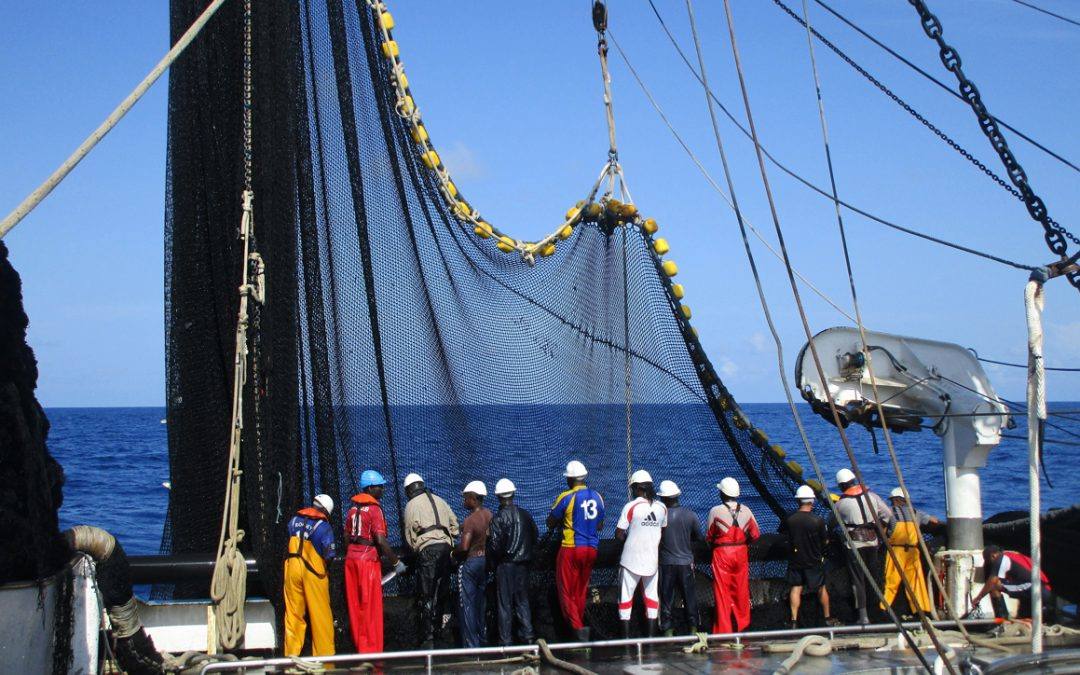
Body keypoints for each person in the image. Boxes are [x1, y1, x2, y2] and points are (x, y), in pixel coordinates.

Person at [344, 470, 405, 653]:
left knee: (355, 607)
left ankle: (360, 647)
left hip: (351, 559)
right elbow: (380, 540)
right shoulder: (374, 509)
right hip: (367, 561)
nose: (383, 490)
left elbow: (347, 535)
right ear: (370, 488)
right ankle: (371, 650)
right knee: (370, 607)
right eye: (380, 486)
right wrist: (396, 563)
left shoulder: (353, 509)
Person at [547, 460, 605, 641]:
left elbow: (550, 522)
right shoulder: (597, 496)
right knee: (580, 591)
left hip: (571, 548)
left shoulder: (567, 497)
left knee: (565, 591)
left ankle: (578, 630)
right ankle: (579, 625)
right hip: (592, 549)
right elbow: (600, 525)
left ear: (570, 479)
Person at [402, 472, 460, 648]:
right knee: (441, 590)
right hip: (446, 549)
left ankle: (428, 637)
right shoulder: (440, 499)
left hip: (428, 551)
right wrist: (450, 539)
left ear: (409, 489)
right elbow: (455, 525)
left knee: (426, 594)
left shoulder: (411, 505)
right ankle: (440, 631)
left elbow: (409, 534)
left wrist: (416, 549)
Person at [830, 468, 893, 625]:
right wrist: (886, 533)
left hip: (854, 546)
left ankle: (863, 616)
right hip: (873, 542)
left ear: (841, 486)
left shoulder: (841, 503)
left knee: (858, 580)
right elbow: (889, 516)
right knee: (873, 576)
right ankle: (878, 610)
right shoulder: (872, 497)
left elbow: (830, 522)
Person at [615, 470, 668, 638]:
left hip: (630, 560)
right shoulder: (661, 508)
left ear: (637, 488)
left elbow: (619, 533)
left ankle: (625, 640)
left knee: (625, 599)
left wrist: (630, 539)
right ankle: (651, 639)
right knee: (652, 600)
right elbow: (663, 530)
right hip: (652, 561)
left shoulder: (630, 506)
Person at [283, 494, 337, 656]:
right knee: (321, 617)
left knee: (293, 615)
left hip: (292, 569)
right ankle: (325, 659)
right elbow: (329, 554)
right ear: (327, 511)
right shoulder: (323, 527)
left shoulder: (293, 521)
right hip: (313, 573)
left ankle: (291, 659)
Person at [487, 478, 538, 646]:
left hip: (505, 565)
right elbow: (535, 535)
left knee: (504, 604)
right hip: (523, 564)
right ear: (513, 494)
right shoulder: (525, 514)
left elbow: (494, 546)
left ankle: (506, 641)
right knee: (522, 601)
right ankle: (528, 636)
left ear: (498, 497)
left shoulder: (498, 518)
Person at [706, 477, 760, 633]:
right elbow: (755, 534)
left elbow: (709, 536)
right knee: (741, 590)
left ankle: (724, 630)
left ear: (722, 493)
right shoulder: (747, 511)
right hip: (741, 552)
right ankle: (742, 625)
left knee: (722, 592)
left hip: (722, 553)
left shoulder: (715, 511)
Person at [781, 485, 839, 629]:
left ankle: (793, 620)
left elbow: (783, 535)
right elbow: (825, 540)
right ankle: (827, 618)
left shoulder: (790, 519)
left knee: (796, 588)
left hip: (796, 560)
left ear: (798, 501)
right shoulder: (817, 520)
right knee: (821, 588)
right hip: (814, 560)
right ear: (811, 502)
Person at [882, 487, 939, 617]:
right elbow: (934, 521)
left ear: (896, 500)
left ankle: (884, 608)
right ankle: (921, 610)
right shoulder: (916, 513)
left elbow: (884, 530)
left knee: (891, 582)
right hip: (913, 552)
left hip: (895, 551)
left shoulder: (890, 513)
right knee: (916, 582)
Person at [656, 479, 701, 636]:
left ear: (663, 498)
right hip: (686, 563)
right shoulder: (691, 515)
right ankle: (693, 629)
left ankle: (668, 631)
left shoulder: (660, 516)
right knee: (689, 598)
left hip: (666, 564)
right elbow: (698, 537)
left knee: (666, 599)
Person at [970, 545, 1055, 621]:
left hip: (1037, 589)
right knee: (1011, 586)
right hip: (1043, 589)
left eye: (988, 561)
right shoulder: (1013, 555)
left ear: (993, 556)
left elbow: (993, 581)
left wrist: (978, 598)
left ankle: (1002, 621)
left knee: (994, 586)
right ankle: (1023, 617)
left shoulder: (1001, 558)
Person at [454, 480, 493, 648]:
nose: (464, 501)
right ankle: (484, 641)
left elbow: (463, 547)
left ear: (473, 498)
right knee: (481, 603)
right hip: (485, 561)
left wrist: (452, 552)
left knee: (467, 605)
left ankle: (471, 647)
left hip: (471, 563)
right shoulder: (489, 515)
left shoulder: (471, 520)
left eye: (465, 498)